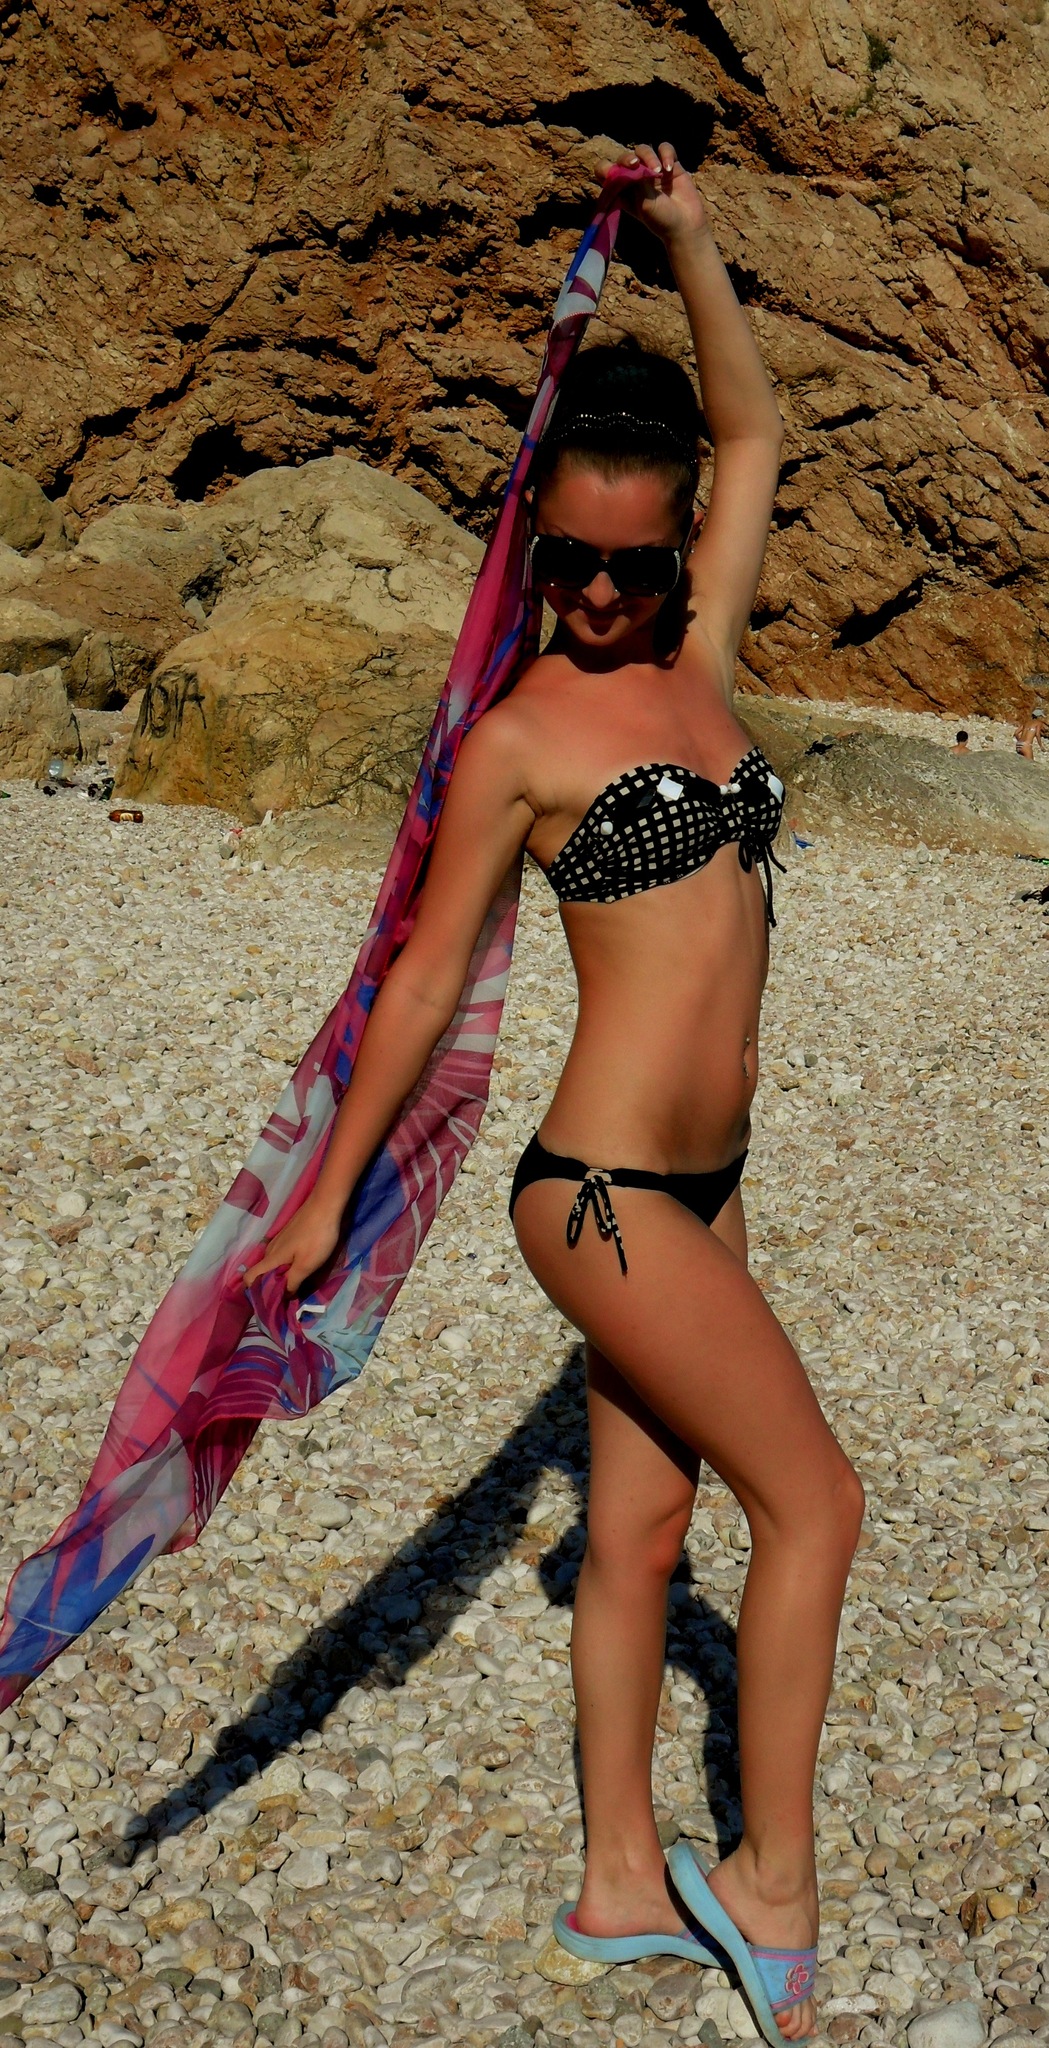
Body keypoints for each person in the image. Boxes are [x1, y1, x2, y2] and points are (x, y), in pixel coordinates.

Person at [246, 142, 864, 2046]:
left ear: (676, 553)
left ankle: (615, 1881)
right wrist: (331, 1190)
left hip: (708, 1181)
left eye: (630, 562)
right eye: (565, 561)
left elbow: (750, 430)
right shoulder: (521, 734)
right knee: (816, 1504)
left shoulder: (700, 654)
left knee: (637, 1535)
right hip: (596, 1190)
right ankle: (767, 1878)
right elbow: (431, 976)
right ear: (535, 547)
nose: (596, 591)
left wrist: (687, 243)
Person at [1014, 695, 1047, 760]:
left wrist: (1020, 741)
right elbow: (1037, 734)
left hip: (1018, 744)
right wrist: (1041, 746)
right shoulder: (1038, 723)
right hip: (1026, 745)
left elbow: (1016, 733)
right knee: (1030, 763)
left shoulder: (1026, 722)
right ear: (1039, 716)